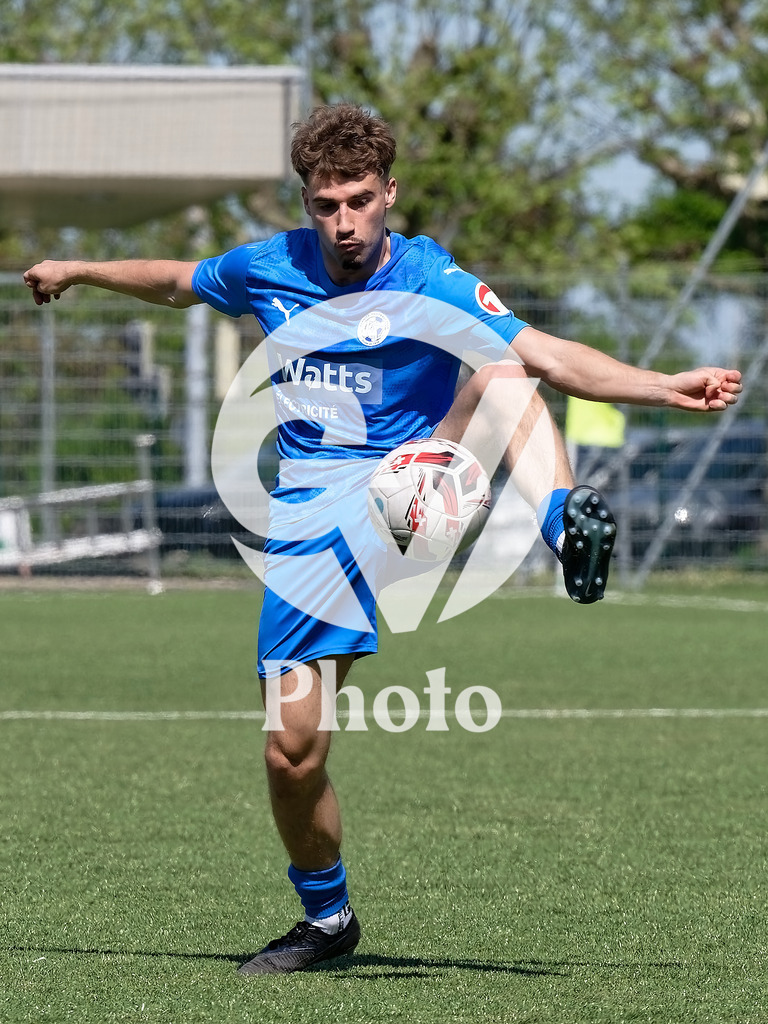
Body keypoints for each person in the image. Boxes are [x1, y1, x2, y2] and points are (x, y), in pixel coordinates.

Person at [23, 103, 742, 976]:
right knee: (290, 753)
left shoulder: (431, 277)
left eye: (360, 200)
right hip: (312, 519)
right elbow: (178, 280)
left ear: (389, 194)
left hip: (416, 478)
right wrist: (80, 269)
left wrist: (666, 386)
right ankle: (327, 920)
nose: (344, 221)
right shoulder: (270, 267)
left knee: (505, 365)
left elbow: (546, 353)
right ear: (306, 202)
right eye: (326, 204)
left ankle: (561, 523)